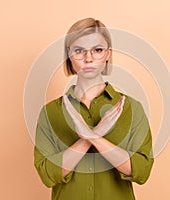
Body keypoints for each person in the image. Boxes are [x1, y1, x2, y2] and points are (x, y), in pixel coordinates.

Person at [34, 17, 154, 200]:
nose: (88, 58)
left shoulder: (132, 108)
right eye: (79, 51)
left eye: (97, 50)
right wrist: (92, 136)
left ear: (107, 54)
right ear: (69, 55)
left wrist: (93, 137)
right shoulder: (50, 113)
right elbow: (48, 174)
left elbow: (141, 171)